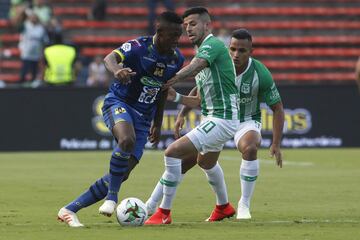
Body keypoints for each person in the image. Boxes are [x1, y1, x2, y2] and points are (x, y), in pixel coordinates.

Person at [57, 11, 184, 227]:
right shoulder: (138, 47)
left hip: (145, 118)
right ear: (160, 32)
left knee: (122, 173)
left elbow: (163, 90)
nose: (176, 40)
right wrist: (117, 70)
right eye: (172, 35)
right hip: (120, 103)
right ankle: (112, 198)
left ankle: (69, 209)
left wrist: (158, 122)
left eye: (178, 36)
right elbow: (110, 58)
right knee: (126, 140)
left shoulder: (177, 59)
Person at [145, 28, 284, 221]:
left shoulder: (260, 73)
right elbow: (200, 90)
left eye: (242, 51)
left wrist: (276, 143)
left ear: (251, 52)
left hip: (245, 121)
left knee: (249, 147)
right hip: (218, 118)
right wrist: (182, 113)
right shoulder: (218, 64)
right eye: (233, 49)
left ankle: (244, 204)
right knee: (196, 161)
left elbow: (277, 107)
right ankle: (222, 206)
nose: (236, 55)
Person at [145, 7, 241, 225]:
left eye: (193, 24)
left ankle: (162, 213)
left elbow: (195, 66)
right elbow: (198, 99)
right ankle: (223, 206)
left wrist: (172, 78)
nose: (188, 28)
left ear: (207, 25)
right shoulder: (202, 53)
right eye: (186, 25)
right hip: (213, 118)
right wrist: (177, 102)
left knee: (172, 153)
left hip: (222, 119)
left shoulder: (213, 45)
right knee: (205, 163)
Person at [18, 9, 48, 84]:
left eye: (35, 17)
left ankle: (32, 86)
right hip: (26, 51)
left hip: (36, 52)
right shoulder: (26, 25)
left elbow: (44, 40)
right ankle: (21, 85)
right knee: (24, 71)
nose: (33, 19)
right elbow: (19, 26)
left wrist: (42, 52)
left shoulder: (40, 28)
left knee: (34, 70)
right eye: (32, 17)